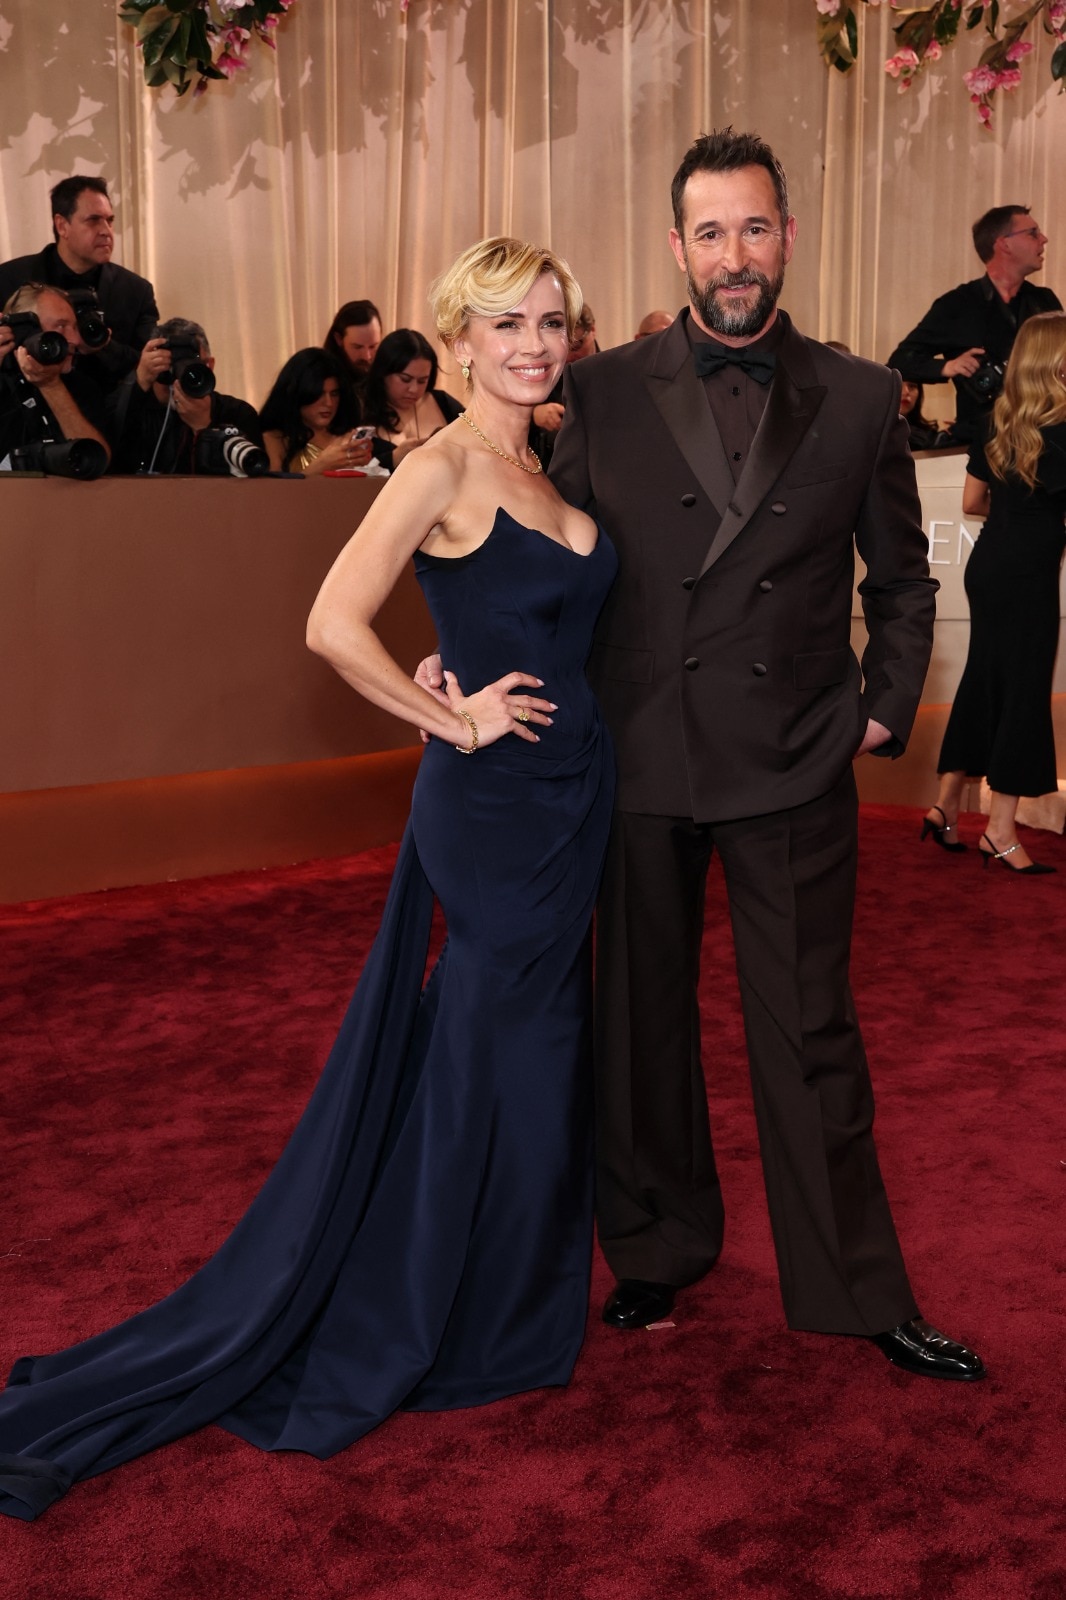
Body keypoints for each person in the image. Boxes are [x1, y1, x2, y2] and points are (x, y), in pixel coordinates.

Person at [0, 236, 615, 1523]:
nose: (532, 343)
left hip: (571, 805)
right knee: (485, 1061)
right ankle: (425, 1312)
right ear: (455, 340)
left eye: (550, 319)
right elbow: (333, 621)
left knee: (539, 1059)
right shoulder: (443, 462)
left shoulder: (539, 458)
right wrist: (445, 718)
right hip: (493, 808)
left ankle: (507, 1304)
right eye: (504, 323)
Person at [540, 128, 983, 1379]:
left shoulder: (857, 395)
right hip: (633, 757)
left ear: (786, 237)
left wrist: (884, 710)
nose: (733, 255)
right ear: (676, 246)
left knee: (809, 1031)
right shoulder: (607, 389)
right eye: (710, 231)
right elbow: (556, 564)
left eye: (754, 227)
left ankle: (854, 1286)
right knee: (639, 1025)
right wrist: (466, 661)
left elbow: (899, 580)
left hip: (792, 755)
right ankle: (655, 1247)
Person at [923, 312, 1066, 874]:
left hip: (988, 565)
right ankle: (1000, 830)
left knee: (984, 680)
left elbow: (970, 504)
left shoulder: (996, 420)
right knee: (1024, 692)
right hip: (1028, 572)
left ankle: (946, 803)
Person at [887, 204, 1061, 444]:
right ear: (1004, 244)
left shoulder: (1044, 301)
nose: (1044, 239)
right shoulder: (957, 304)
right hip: (984, 440)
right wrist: (947, 367)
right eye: (1033, 233)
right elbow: (899, 361)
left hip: (1046, 435)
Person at [0, 176, 160, 392]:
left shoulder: (135, 291)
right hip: (26, 414)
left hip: (109, 417)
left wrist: (104, 346)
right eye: (93, 220)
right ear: (62, 226)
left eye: (109, 220)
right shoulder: (8, 279)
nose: (106, 231)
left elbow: (149, 369)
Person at [108, 318, 264, 475]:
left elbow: (251, 483)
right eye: (169, 366)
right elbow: (107, 452)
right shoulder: (131, 409)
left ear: (210, 366)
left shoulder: (237, 413)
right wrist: (138, 381)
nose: (178, 379)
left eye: (192, 366)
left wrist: (204, 429)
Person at [0, 283, 111, 470]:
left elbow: (96, 461)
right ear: (24, 331)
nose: (75, 340)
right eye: (61, 326)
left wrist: (51, 386)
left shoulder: (83, 387)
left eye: (75, 327)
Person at [361, 327, 463, 472]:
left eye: (422, 381)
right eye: (405, 379)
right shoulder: (360, 408)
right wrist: (392, 459)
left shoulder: (444, 403)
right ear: (383, 373)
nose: (414, 389)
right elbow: (348, 470)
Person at [258, 347, 369, 474]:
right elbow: (274, 492)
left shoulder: (349, 436)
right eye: (319, 394)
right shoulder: (275, 440)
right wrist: (320, 466)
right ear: (298, 393)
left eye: (334, 394)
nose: (329, 403)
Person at [531, 302, 599, 469]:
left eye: (576, 346)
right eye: (563, 347)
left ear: (593, 331)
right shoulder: (542, 372)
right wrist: (534, 414)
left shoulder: (617, 372)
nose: (568, 355)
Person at [323, 298, 383, 389]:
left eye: (372, 346)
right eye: (358, 347)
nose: (367, 357)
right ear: (339, 339)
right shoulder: (323, 382)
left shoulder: (389, 376)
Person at [899, 377, 945, 451]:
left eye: (912, 386)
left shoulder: (928, 436)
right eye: (898, 385)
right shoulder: (875, 435)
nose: (906, 392)